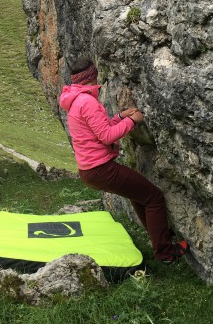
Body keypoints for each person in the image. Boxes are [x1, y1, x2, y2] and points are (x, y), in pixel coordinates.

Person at [59, 57, 189, 265]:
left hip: (91, 170)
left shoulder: (76, 101)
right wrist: (132, 121)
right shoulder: (87, 102)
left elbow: (99, 129)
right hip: (101, 168)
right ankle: (165, 253)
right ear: (92, 75)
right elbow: (107, 136)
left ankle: (159, 239)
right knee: (153, 197)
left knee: (138, 196)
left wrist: (120, 117)